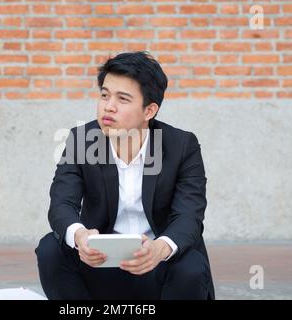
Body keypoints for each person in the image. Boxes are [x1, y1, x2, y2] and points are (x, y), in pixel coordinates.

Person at [35, 51, 215, 300]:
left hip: (157, 265)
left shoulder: (181, 145)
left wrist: (159, 249)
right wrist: (80, 236)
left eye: (123, 99)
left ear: (149, 110)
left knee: (191, 266)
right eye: (105, 95)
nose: (109, 106)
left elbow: (189, 216)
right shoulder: (81, 140)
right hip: (101, 262)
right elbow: (61, 204)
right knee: (50, 248)